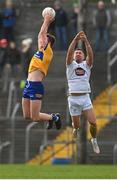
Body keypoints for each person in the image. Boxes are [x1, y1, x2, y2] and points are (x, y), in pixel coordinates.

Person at [22, 13, 61, 130]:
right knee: (27, 116)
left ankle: (54, 118)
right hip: (28, 84)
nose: (41, 39)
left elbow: (41, 34)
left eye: (45, 38)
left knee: (35, 117)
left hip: (36, 86)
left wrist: (47, 20)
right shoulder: (40, 51)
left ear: (49, 42)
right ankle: (50, 118)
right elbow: (41, 35)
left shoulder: (48, 52)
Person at [66, 31, 100, 154]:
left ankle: (94, 139)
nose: (78, 54)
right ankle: (75, 128)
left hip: (85, 98)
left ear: (83, 56)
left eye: (80, 53)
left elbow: (91, 55)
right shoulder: (70, 65)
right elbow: (69, 52)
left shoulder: (87, 65)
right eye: (77, 52)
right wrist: (75, 40)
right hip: (73, 99)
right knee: (76, 125)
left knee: (93, 123)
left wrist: (85, 41)